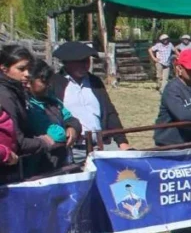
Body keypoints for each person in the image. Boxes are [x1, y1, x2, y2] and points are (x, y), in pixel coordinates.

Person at [50, 42, 131, 159]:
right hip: (73, 149)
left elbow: (109, 112)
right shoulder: (55, 84)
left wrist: (122, 142)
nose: (85, 66)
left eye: (87, 61)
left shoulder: (94, 82)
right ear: (67, 63)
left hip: (101, 145)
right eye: (80, 62)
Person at [1, 45, 53, 180]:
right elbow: (16, 141)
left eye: (29, 69)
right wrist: (44, 142)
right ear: (4, 69)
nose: (27, 74)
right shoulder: (5, 96)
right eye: (21, 69)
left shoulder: (16, 92)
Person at [25, 59, 81, 173]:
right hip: (38, 165)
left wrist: (72, 127)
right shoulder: (28, 105)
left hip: (60, 161)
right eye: (44, 81)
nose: (48, 85)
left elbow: (68, 116)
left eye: (49, 81)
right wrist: (64, 134)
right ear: (29, 81)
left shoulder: (51, 99)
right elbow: (54, 133)